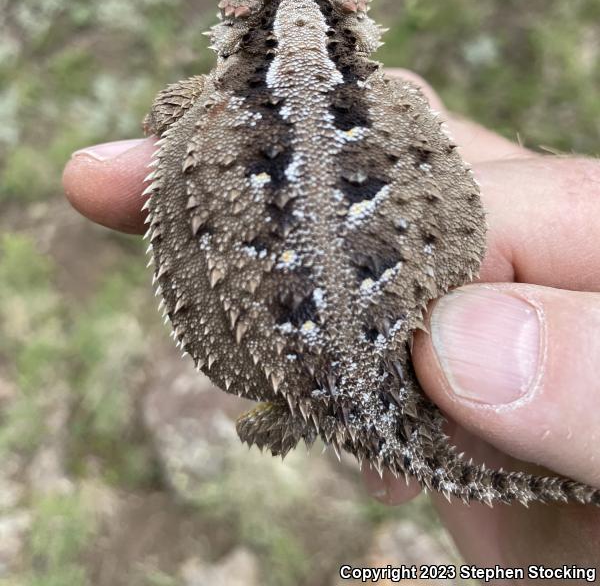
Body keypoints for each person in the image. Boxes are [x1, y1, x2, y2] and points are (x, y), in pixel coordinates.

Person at [62, 69, 600, 567]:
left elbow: (163, 116)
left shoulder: (206, 97)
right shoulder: (388, 93)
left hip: (316, 355)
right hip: (395, 343)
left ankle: (312, 412)